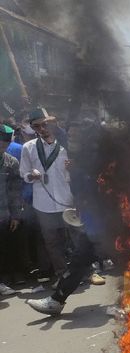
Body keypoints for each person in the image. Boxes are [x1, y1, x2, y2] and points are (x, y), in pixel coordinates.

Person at [19, 107, 73, 282]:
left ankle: (82, 271)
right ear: (33, 128)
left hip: (67, 200)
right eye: (36, 126)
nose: (41, 129)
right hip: (43, 203)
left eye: (44, 124)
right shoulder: (28, 148)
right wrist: (31, 176)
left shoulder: (66, 144)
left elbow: (77, 172)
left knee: (75, 236)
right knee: (51, 242)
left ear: (51, 123)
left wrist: (73, 168)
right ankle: (61, 273)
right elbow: (24, 173)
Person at [0, 125, 22, 296]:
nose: (2, 146)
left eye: (5, 144)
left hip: (3, 215)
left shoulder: (11, 162)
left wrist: (15, 215)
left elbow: (15, 191)